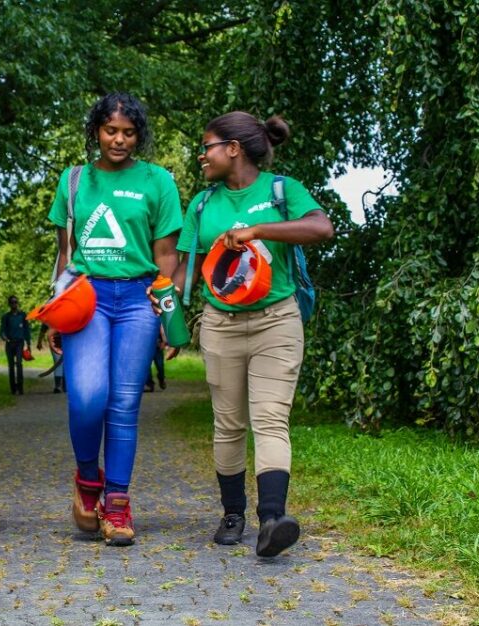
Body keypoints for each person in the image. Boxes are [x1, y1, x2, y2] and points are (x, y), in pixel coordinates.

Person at [169, 112, 333, 557]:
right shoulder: (201, 205)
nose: (202, 156)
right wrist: (166, 315)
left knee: (270, 418)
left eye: (208, 147)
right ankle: (233, 513)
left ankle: (272, 520)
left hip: (276, 320)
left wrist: (257, 229)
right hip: (220, 324)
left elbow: (321, 227)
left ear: (234, 149)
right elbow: (183, 270)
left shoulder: (282, 190)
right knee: (228, 423)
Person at [49, 92, 183, 546]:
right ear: (96, 132)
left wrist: (169, 315)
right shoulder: (73, 181)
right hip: (86, 295)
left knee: (125, 405)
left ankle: (119, 504)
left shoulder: (158, 181)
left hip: (140, 298)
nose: (119, 140)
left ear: (138, 135)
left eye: (128, 132)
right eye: (111, 131)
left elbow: (167, 255)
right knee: (87, 396)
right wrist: (56, 308)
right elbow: (64, 255)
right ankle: (89, 481)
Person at [0, 295, 31, 395]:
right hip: (10, 343)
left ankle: (20, 387)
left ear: (18, 303)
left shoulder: (23, 315)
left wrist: (28, 344)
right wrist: (5, 338)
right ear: (9, 304)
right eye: (12, 302)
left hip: (19, 343)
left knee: (19, 364)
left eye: (15, 302)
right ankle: (13, 388)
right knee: (11, 366)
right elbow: (1, 331)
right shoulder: (6, 317)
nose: (14, 304)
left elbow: (27, 331)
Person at [36, 324, 65, 393]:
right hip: (56, 341)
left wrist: (39, 342)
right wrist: (39, 342)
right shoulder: (48, 318)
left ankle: (62, 386)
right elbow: (43, 330)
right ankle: (59, 386)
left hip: (63, 341)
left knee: (63, 364)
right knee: (59, 363)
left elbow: (42, 331)